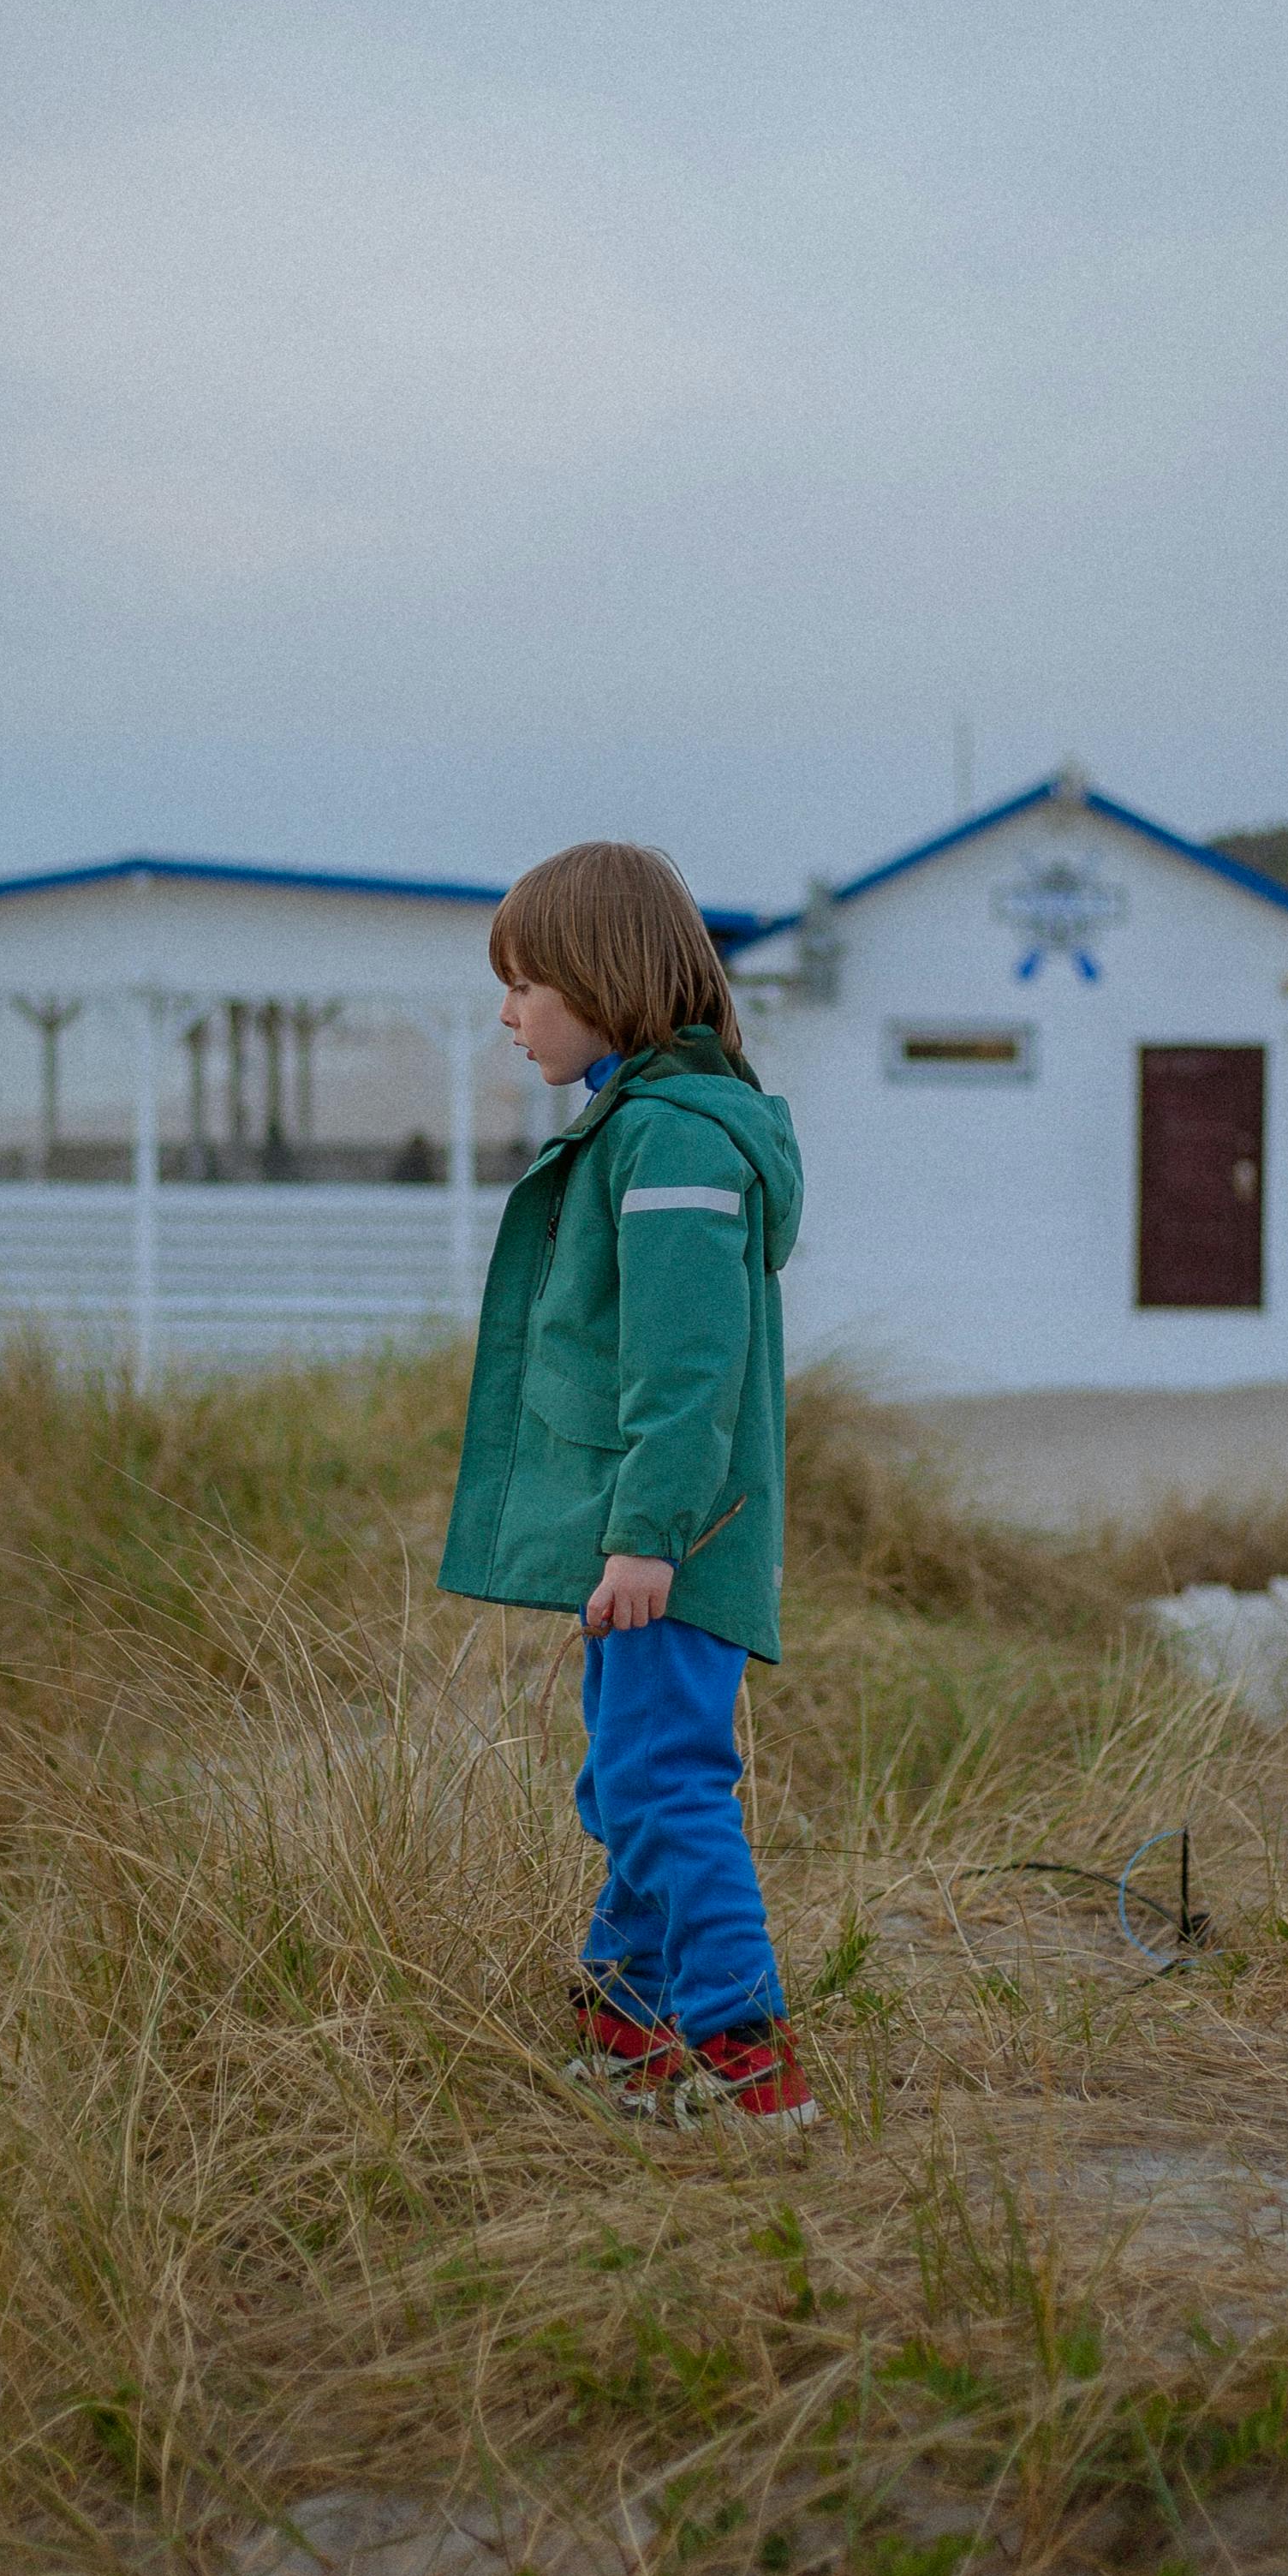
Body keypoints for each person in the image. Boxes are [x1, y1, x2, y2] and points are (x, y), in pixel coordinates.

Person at [439, 841, 816, 2130]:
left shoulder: (667, 1141)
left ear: (604, 979)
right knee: (628, 1780)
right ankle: (626, 2023)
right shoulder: (642, 1127)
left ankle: (742, 2047)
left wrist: (648, 1538)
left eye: (528, 983)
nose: (508, 1013)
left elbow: (685, 1364)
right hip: (646, 1539)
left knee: (664, 1785)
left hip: (669, 1542)